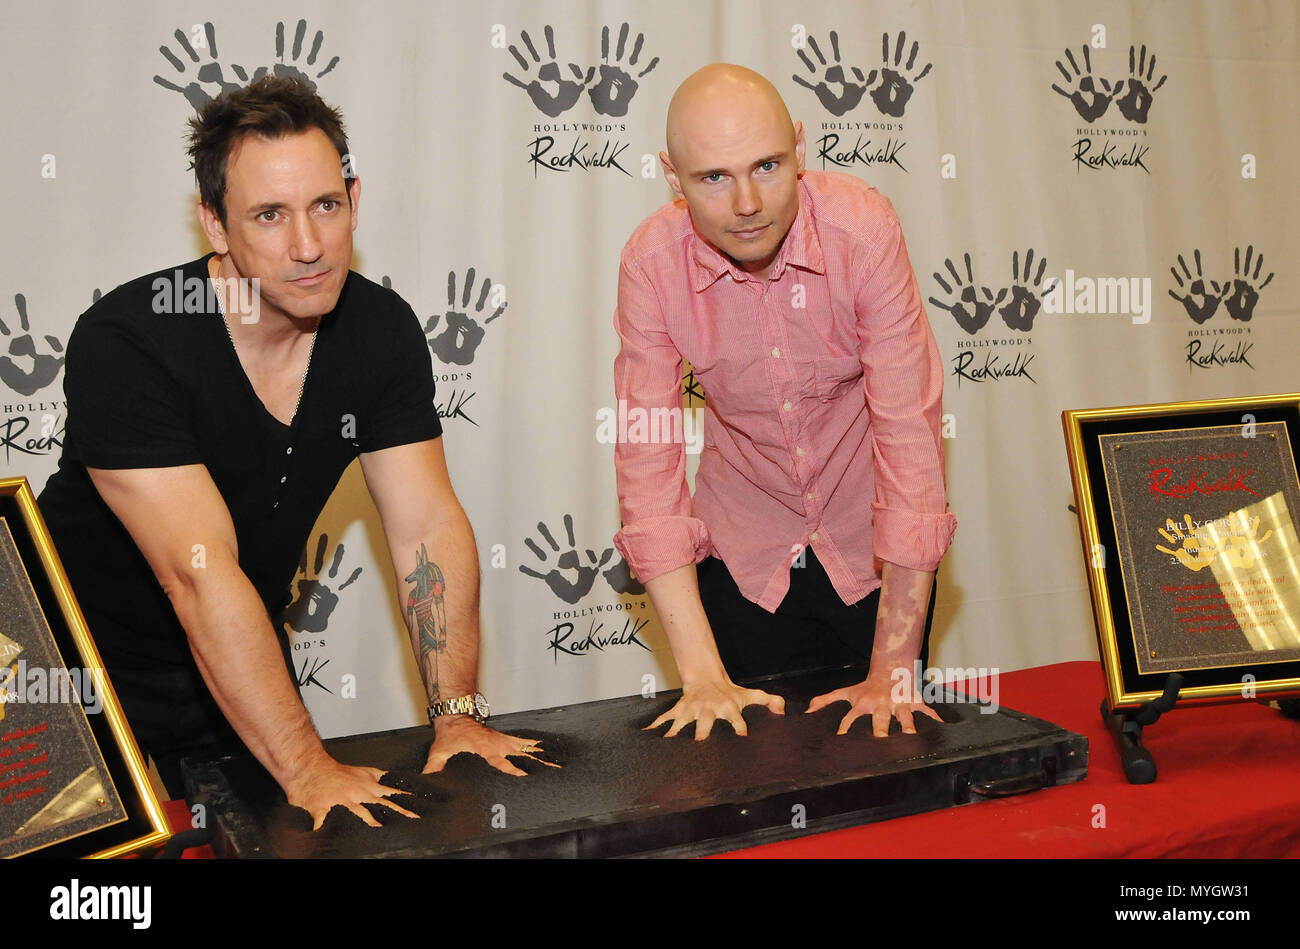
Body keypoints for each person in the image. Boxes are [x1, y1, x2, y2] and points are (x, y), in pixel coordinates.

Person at [37, 75, 552, 830]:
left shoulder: (379, 330)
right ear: (216, 226)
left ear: (354, 199)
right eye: (269, 216)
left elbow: (425, 529)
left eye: (326, 206)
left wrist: (457, 714)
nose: (308, 246)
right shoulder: (131, 341)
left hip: (233, 665)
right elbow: (197, 574)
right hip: (68, 673)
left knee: (300, 836)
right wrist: (305, 763)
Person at [612, 64, 958, 741]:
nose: (747, 201)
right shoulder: (651, 265)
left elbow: (909, 432)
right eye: (714, 177)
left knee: (890, 779)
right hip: (744, 564)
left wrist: (893, 666)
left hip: (875, 562)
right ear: (672, 178)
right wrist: (702, 675)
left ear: (801, 148)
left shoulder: (862, 227)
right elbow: (648, 464)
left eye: (766, 165)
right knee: (753, 785)